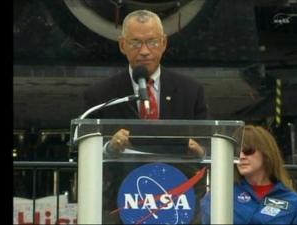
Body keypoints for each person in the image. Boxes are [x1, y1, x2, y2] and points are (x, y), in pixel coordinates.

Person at [83, 9, 208, 156]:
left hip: (179, 177)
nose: (144, 51)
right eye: (136, 43)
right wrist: (109, 149)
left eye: (152, 42)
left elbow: (209, 145)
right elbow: (85, 149)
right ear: (122, 45)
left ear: (164, 43)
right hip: (122, 177)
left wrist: (199, 150)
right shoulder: (100, 95)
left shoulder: (191, 91)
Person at [200, 125, 297, 224]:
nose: (241, 156)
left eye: (248, 150)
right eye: (236, 152)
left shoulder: (293, 201)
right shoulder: (221, 195)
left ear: (266, 153)